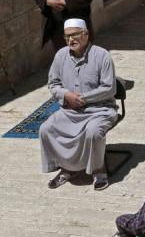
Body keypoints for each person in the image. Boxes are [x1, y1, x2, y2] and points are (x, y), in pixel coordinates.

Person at [39, 19, 118, 191]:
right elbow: (53, 84)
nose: (70, 40)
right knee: (46, 129)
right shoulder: (61, 55)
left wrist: (83, 98)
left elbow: (109, 88)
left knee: (93, 133)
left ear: (86, 34)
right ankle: (66, 167)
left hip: (100, 109)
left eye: (75, 35)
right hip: (71, 110)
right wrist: (66, 95)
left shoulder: (102, 55)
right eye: (67, 36)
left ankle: (99, 171)